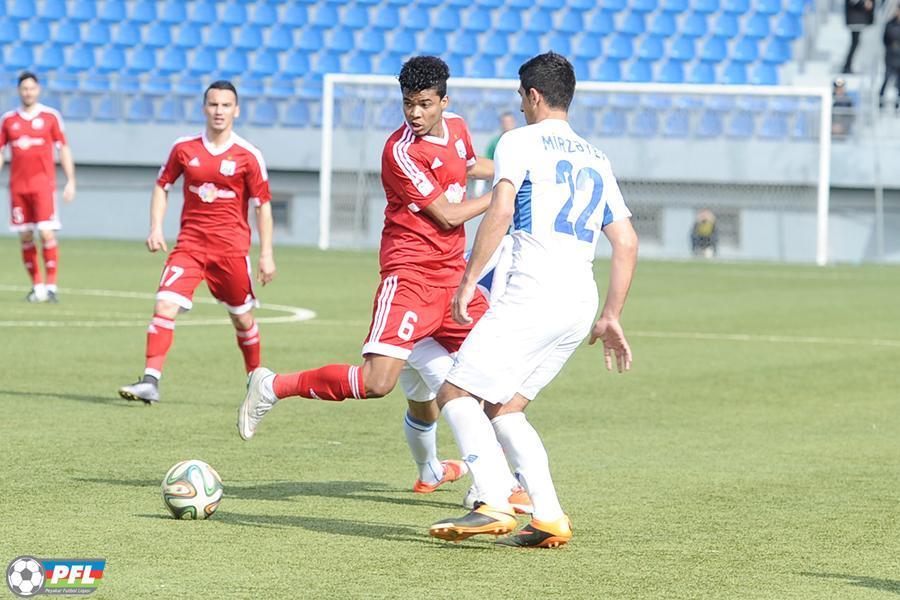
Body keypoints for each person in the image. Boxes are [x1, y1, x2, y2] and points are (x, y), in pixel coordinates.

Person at [237, 57, 496, 496]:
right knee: (378, 382)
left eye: (424, 104)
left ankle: (481, 482)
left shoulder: (458, 128)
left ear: (444, 102)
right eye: (408, 103)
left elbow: (470, 167)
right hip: (411, 277)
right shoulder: (401, 152)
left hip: (454, 276)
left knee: (491, 368)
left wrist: (515, 170)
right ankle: (273, 385)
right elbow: (449, 215)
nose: (415, 113)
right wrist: (506, 193)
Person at [426, 52, 638, 549]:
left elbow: (501, 210)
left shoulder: (519, 141)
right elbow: (626, 241)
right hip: (580, 301)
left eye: (521, 97)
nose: (521, 106)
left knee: (454, 393)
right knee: (505, 409)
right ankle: (549, 517)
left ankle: (493, 501)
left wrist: (469, 279)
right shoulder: (597, 157)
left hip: (534, 292)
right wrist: (611, 315)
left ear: (534, 95)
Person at [118, 80, 275, 405]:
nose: (219, 111)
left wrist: (266, 254)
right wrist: (155, 227)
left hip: (231, 250)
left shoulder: (248, 155)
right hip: (189, 247)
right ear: (204, 108)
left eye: (226, 105)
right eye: (213, 104)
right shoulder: (183, 148)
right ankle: (150, 381)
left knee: (242, 318)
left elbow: (263, 206)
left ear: (236, 110)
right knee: (164, 304)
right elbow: (162, 185)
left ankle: (257, 381)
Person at [0, 72, 76, 303]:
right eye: (24, 89)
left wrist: (71, 180)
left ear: (38, 90)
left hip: (43, 186)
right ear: (19, 90)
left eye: (31, 88)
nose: (28, 93)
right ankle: (37, 287)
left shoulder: (50, 117)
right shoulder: (8, 120)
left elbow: (63, 148)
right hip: (18, 188)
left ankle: (51, 286)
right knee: (25, 235)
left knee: (45, 232)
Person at [842, 0, 875, 74]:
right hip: (856, 20)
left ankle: (850, 66)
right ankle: (848, 66)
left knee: (857, 44)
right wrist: (864, 3)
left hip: (861, 19)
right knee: (855, 44)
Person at [879, 5, 900, 111]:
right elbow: (886, 39)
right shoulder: (890, 24)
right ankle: (880, 102)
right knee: (886, 79)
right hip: (891, 56)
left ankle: (897, 105)